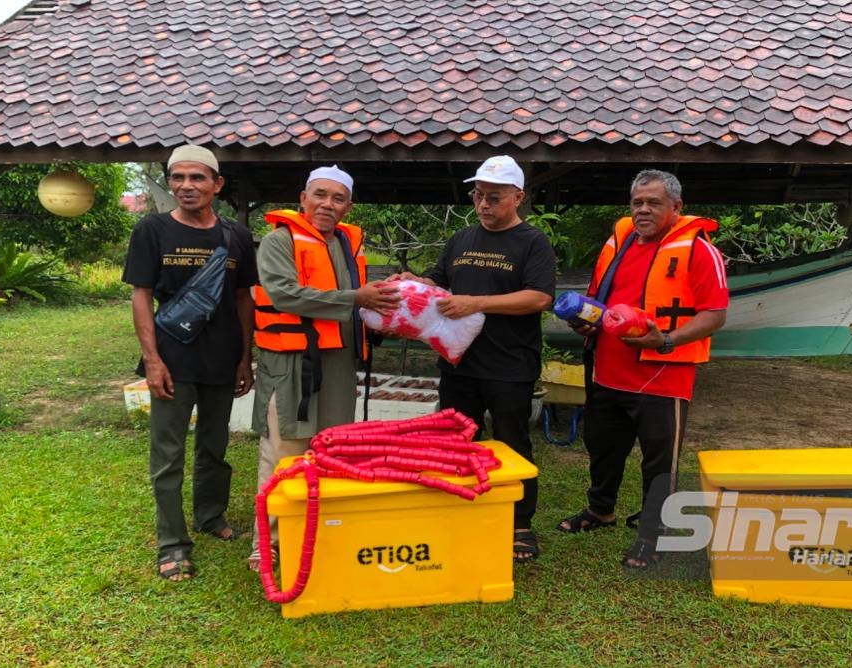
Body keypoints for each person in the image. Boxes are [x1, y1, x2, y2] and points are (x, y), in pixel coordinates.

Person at [556, 169, 729, 570]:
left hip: (663, 376)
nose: (644, 210)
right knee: (602, 449)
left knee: (659, 461)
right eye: (638, 202)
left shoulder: (698, 249)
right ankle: (600, 511)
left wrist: (666, 340)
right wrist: (586, 321)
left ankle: (654, 534)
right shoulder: (619, 242)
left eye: (654, 203)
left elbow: (716, 314)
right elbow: (602, 300)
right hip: (608, 372)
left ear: (676, 207)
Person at [393, 155, 557, 563]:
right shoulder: (462, 239)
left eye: (494, 197)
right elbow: (439, 281)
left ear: (518, 197)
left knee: (512, 442)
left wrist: (476, 303)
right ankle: (458, 506)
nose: (483, 204)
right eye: (478, 195)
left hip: (509, 364)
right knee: (454, 440)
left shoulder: (533, 242)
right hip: (458, 362)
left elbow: (539, 297)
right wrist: (417, 283)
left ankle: (520, 525)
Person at [248, 165, 401, 571]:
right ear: (302, 198)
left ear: (348, 206)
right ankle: (269, 542)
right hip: (291, 363)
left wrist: (389, 305)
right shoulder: (278, 241)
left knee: (334, 448)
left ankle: (323, 527)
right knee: (285, 450)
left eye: (337, 198)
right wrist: (359, 298)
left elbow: (360, 303)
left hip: (338, 363)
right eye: (320, 194)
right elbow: (284, 295)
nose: (327, 205)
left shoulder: (349, 245)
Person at [123, 144, 257, 581]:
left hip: (222, 360)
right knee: (168, 455)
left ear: (217, 184)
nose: (186, 186)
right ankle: (172, 542)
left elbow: (243, 298)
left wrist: (244, 357)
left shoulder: (235, 235)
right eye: (177, 177)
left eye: (197, 177)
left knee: (215, 447)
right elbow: (141, 296)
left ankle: (210, 515)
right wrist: (152, 360)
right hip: (173, 359)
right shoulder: (152, 230)